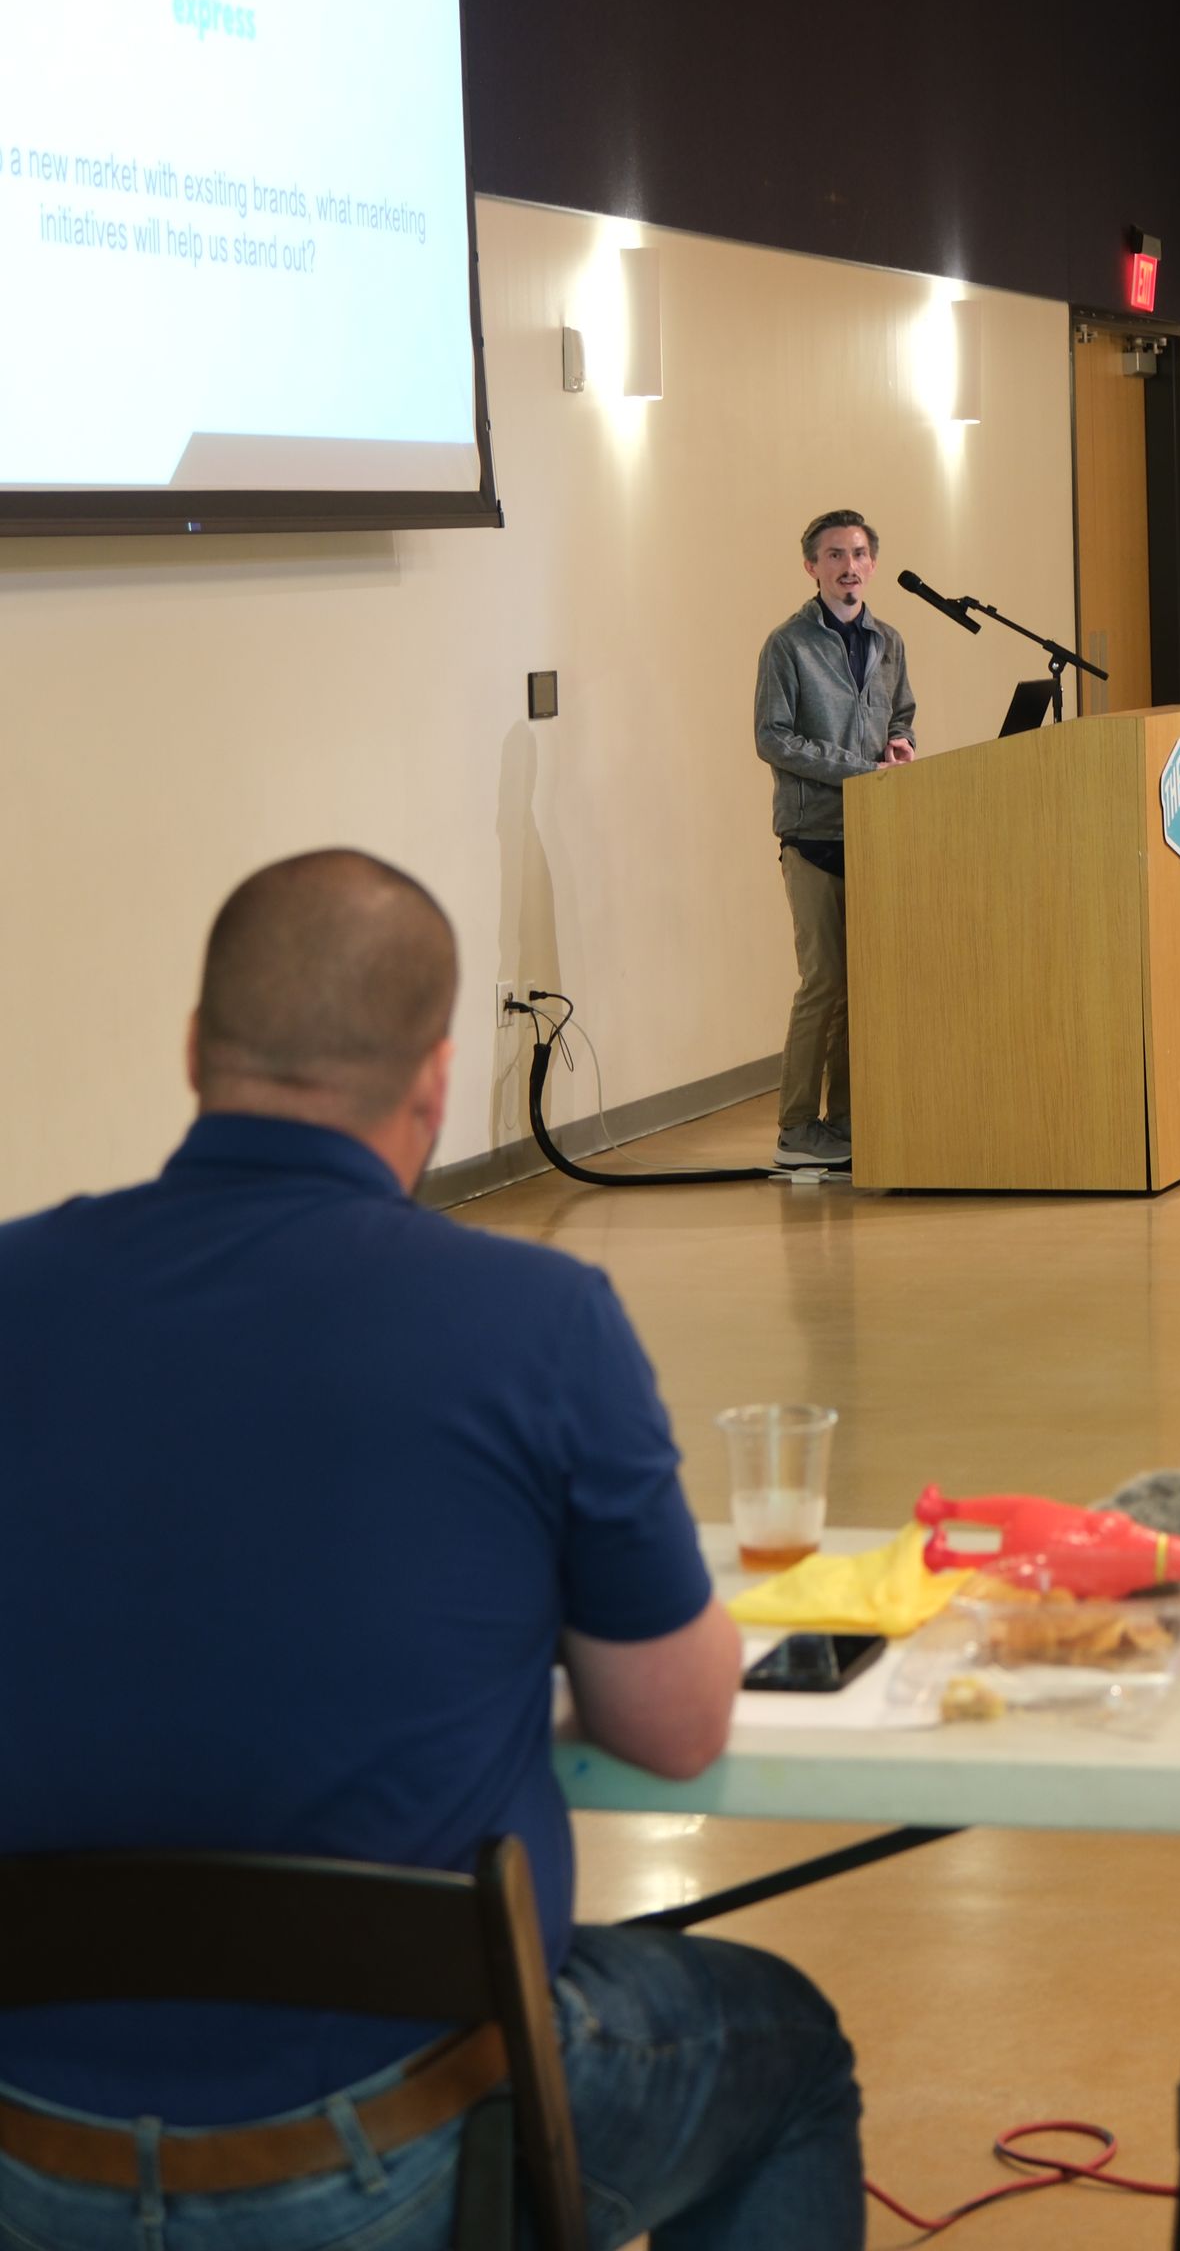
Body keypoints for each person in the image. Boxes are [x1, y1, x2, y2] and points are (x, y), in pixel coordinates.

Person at [0, 849, 863, 2251]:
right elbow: (676, 1722)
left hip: (26, 2147)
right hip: (391, 2146)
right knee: (786, 2049)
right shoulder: (537, 1322)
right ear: (437, 1084)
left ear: (194, 1050)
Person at [754, 510, 916, 1170]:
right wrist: (858, 769)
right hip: (812, 835)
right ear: (811, 567)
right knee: (823, 982)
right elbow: (773, 737)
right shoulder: (787, 645)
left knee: (859, 984)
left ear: (872, 563)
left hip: (871, 833)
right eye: (834, 555)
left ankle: (846, 1122)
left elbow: (901, 714)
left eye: (857, 554)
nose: (849, 566)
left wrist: (900, 744)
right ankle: (796, 1129)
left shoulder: (888, 641)